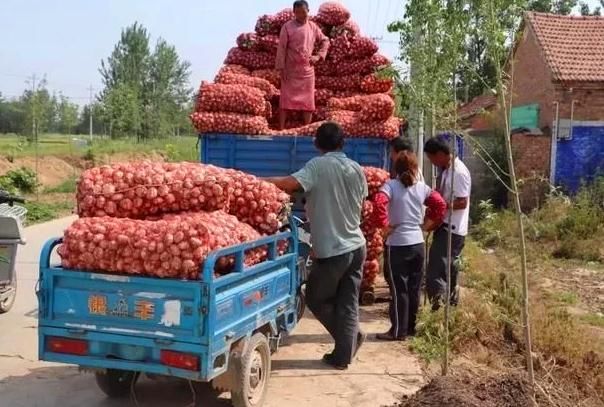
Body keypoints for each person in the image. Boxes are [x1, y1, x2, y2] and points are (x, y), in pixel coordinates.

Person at [265, 122, 367, 370]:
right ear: (342, 143)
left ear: (317, 144)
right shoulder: (356, 169)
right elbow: (360, 206)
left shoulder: (318, 166)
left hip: (335, 250)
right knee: (347, 301)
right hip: (356, 246)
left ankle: (349, 338)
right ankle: (345, 352)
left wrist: (254, 180)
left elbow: (289, 184)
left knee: (315, 297)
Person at [372, 153, 446, 340]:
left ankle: (398, 331)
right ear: (415, 169)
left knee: (399, 290)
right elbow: (440, 204)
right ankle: (411, 329)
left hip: (397, 244)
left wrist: (384, 226)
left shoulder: (390, 187)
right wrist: (428, 224)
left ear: (395, 169)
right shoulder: (422, 188)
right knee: (413, 289)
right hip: (417, 244)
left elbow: (379, 202)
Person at [423, 137, 472, 310]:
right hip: (445, 226)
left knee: (436, 271)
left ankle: (439, 310)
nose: (432, 162)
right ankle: (449, 309)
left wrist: (442, 206)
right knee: (448, 270)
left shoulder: (458, 172)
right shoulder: (446, 170)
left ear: (442, 154)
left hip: (452, 229)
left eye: (432, 158)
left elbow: (462, 202)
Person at [275, 1, 330, 130]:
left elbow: (325, 41)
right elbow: (281, 48)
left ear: (308, 11)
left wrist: (319, 56)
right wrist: (281, 68)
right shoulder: (287, 27)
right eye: (298, 12)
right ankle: (281, 128)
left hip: (307, 71)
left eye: (303, 12)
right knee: (285, 99)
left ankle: (307, 129)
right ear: (294, 13)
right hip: (290, 70)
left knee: (308, 102)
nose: (301, 15)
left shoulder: (313, 27)